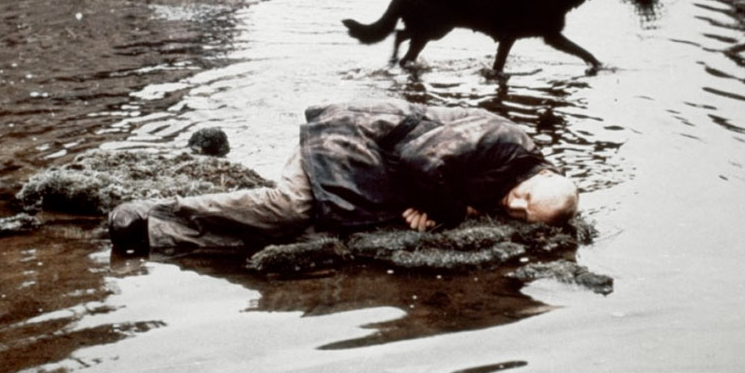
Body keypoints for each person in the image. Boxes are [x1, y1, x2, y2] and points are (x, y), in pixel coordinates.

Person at [109, 100, 579, 254]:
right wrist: (452, 211)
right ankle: (150, 215)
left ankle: (155, 237)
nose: (512, 208)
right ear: (542, 174)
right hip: (350, 137)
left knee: (311, 232)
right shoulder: (505, 139)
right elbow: (419, 159)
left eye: (523, 215)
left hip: (370, 163)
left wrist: (433, 211)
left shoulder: (513, 179)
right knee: (291, 210)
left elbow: (432, 177)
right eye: (522, 197)